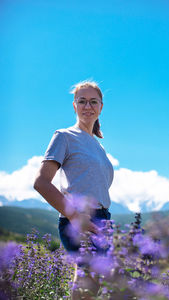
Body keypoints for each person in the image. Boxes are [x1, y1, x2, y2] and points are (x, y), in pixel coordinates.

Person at [33, 80, 114, 299]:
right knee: (87, 281)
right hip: (78, 217)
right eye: (82, 101)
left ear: (101, 107)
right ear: (74, 106)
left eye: (93, 102)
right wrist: (77, 218)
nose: (88, 106)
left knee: (95, 284)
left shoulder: (99, 145)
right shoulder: (64, 136)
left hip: (103, 219)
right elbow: (41, 183)